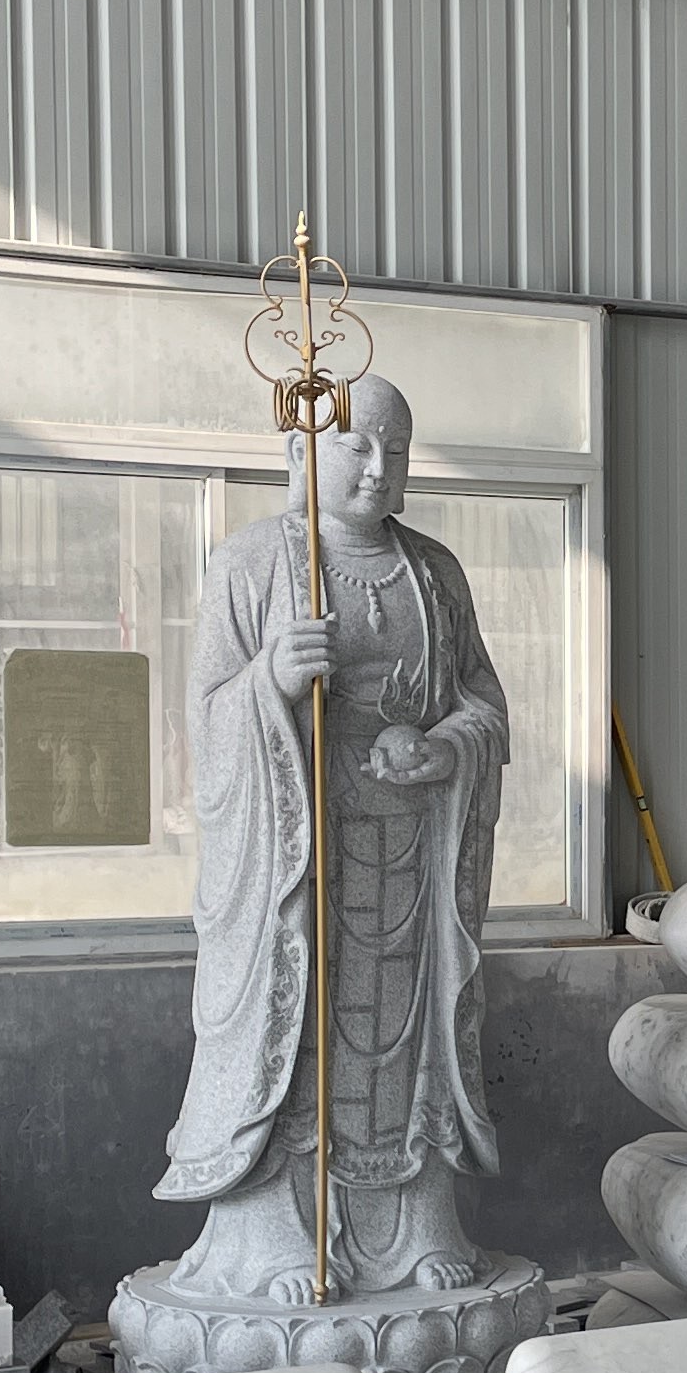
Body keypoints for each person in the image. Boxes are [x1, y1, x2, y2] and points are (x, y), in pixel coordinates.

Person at [157, 375, 505, 1305]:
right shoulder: (250, 563)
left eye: (397, 449)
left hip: (409, 860)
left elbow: (482, 703)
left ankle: (412, 1229)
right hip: (296, 858)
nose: (379, 468)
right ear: (301, 452)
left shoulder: (436, 573)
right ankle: (276, 1236)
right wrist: (269, 678)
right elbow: (207, 722)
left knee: (406, 1041)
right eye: (357, 446)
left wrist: (441, 747)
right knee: (296, 1030)